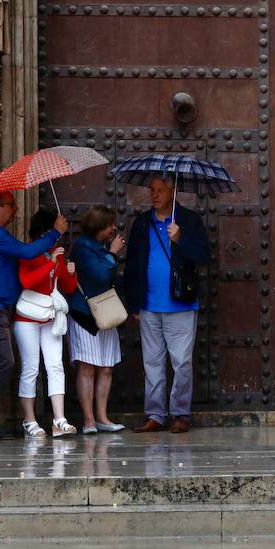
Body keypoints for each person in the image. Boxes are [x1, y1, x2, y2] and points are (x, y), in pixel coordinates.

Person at [0, 190, 67, 440]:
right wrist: (55, 232)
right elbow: (26, 252)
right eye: (12, 205)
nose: (16, 210)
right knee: (4, 361)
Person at [122, 178, 211, 434]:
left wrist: (181, 238)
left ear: (173, 192)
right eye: (152, 190)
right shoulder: (142, 223)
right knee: (152, 363)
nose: (155, 195)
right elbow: (132, 265)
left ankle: (181, 413)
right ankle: (155, 415)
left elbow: (203, 256)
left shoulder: (189, 220)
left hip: (180, 304)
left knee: (181, 362)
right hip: (149, 305)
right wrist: (134, 303)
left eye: (161, 190)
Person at [14, 208, 78, 438]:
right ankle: (29, 420)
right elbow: (27, 280)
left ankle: (59, 420)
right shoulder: (29, 252)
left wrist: (71, 272)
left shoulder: (55, 252)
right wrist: (51, 263)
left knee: (55, 365)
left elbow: (67, 287)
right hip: (27, 319)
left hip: (50, 316)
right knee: (31, 368)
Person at [66, 205, 127, 435]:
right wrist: (112, 253)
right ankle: (89, 420)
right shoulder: (83, 247)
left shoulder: (100, 246)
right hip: (85, 315)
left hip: (106, 314)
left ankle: (102, 417)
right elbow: (100, 275)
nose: (114, 227)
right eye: (110, 224)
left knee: (105, 368)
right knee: (87, 367)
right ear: (99, 226)